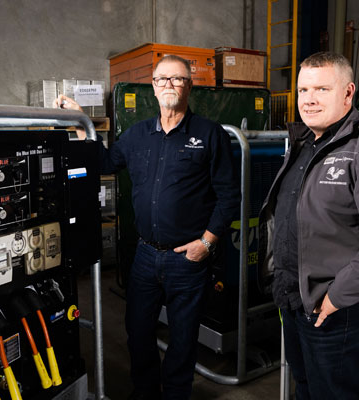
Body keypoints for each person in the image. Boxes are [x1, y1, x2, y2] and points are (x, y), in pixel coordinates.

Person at [54, 55, 240, 400]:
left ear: (189, 86)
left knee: (183, 339)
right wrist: (82, 124)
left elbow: (229, 196)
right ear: (153, 87)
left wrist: (207, 243)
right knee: (138, 334)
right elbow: (105, 163)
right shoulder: (137, 134)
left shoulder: (209, 135)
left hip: (188, 259)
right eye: (163, 79)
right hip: (144, 256)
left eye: (178, 79)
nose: (170, 85)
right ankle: (145, 393)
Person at [258, 51, 359, 399]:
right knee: (305, 390)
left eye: (321, 89)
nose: (309, 100)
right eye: (303, 90)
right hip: (295, 302)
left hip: (339, 313)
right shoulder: (305, 143)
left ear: (348, 93)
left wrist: (337, 297)